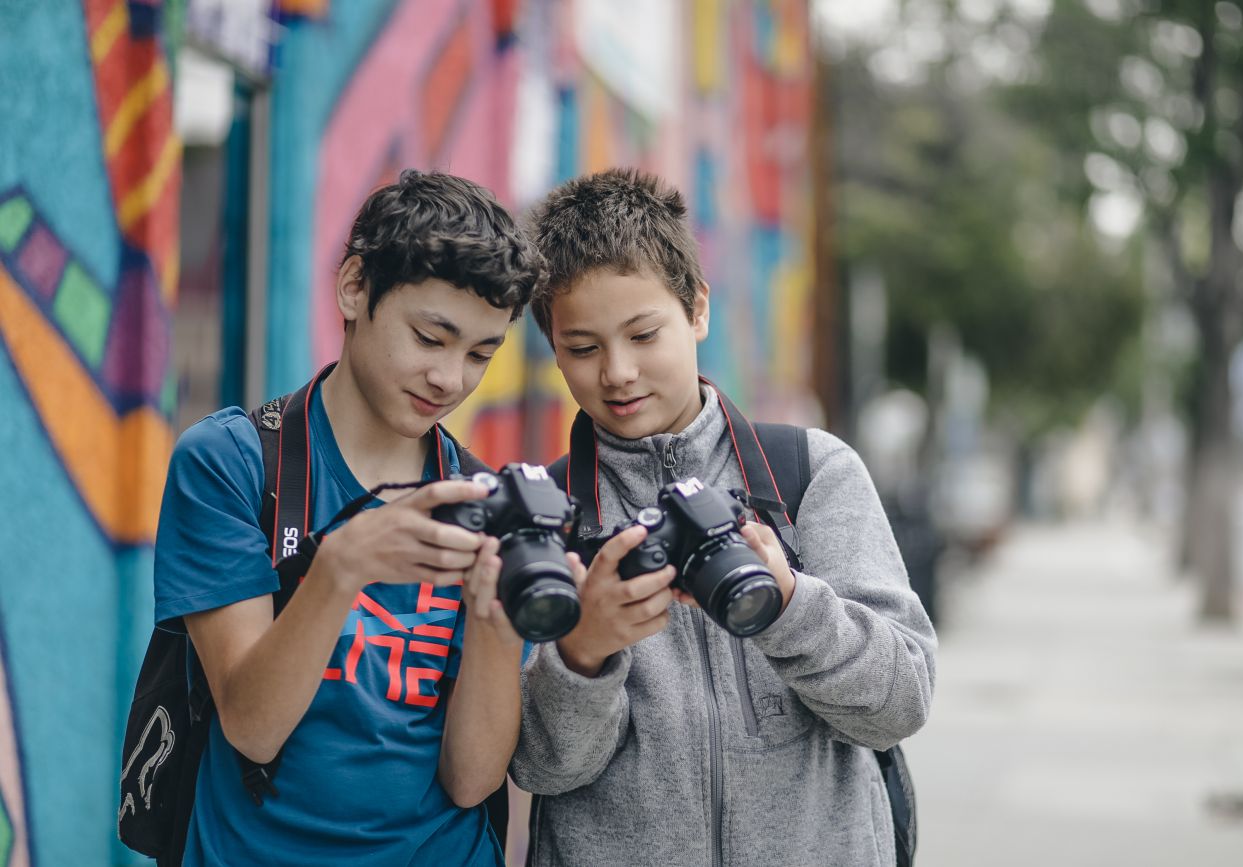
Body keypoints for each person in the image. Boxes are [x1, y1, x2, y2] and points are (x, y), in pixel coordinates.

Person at [511, 168, 938, 866]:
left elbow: (900, 703)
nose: (617, 371)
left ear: (697, 309)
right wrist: (586, 650)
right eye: (583, 348)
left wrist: (789, 606)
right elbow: (541, 769)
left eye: (643, 334)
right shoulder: (544, 521)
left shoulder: (807, 476)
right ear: (553, 348)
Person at [153, 170, 543, 866]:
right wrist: (340, 565)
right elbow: (251, 726)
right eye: (431, 337)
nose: (450, 379)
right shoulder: (232, 464)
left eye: (481, 353)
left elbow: (471, 779)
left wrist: (495, 622)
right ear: (355, 287)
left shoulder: (480, 500)